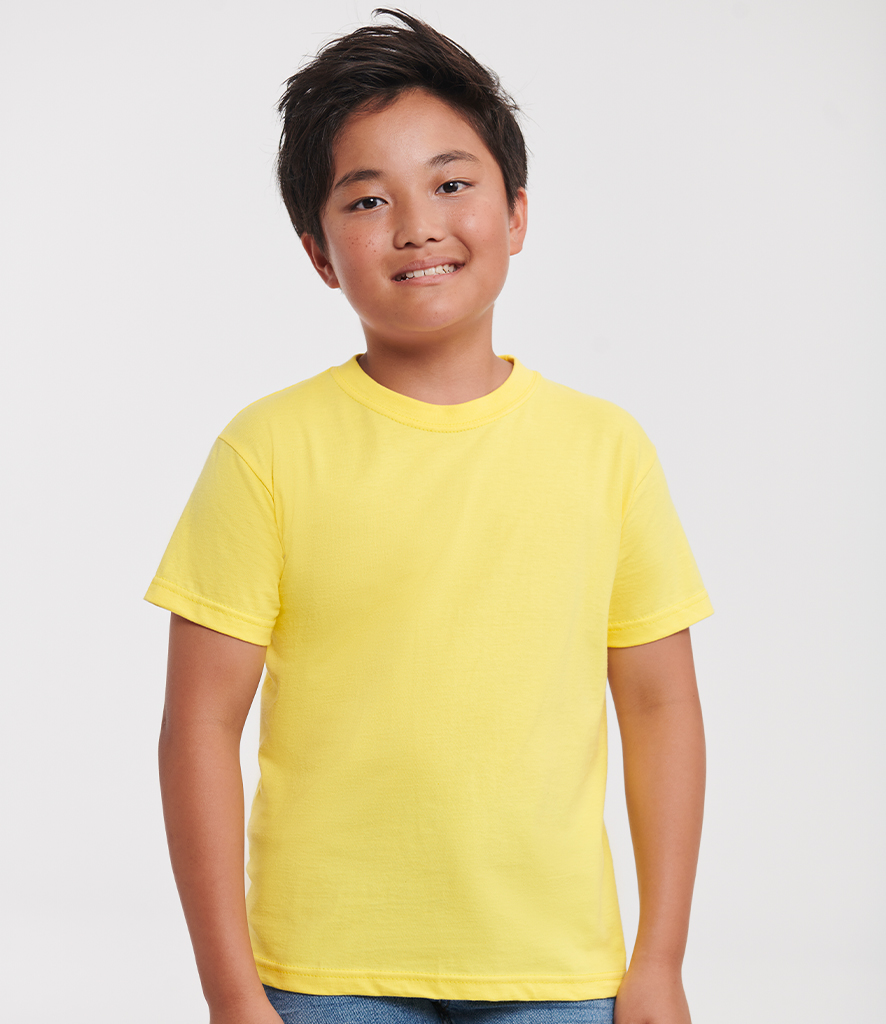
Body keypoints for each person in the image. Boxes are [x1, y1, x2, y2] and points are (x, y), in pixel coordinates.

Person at [146, 10, 713, 1024]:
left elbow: (660, 706)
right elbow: (199, 725)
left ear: (517, 213)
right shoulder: (267, 450)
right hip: (324, 973)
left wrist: (659, 959)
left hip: (556, 973)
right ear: (320, 253)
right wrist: (231, 993)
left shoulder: (606, 449)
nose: (417, 225)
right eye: (369, 199)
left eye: (452, 184)